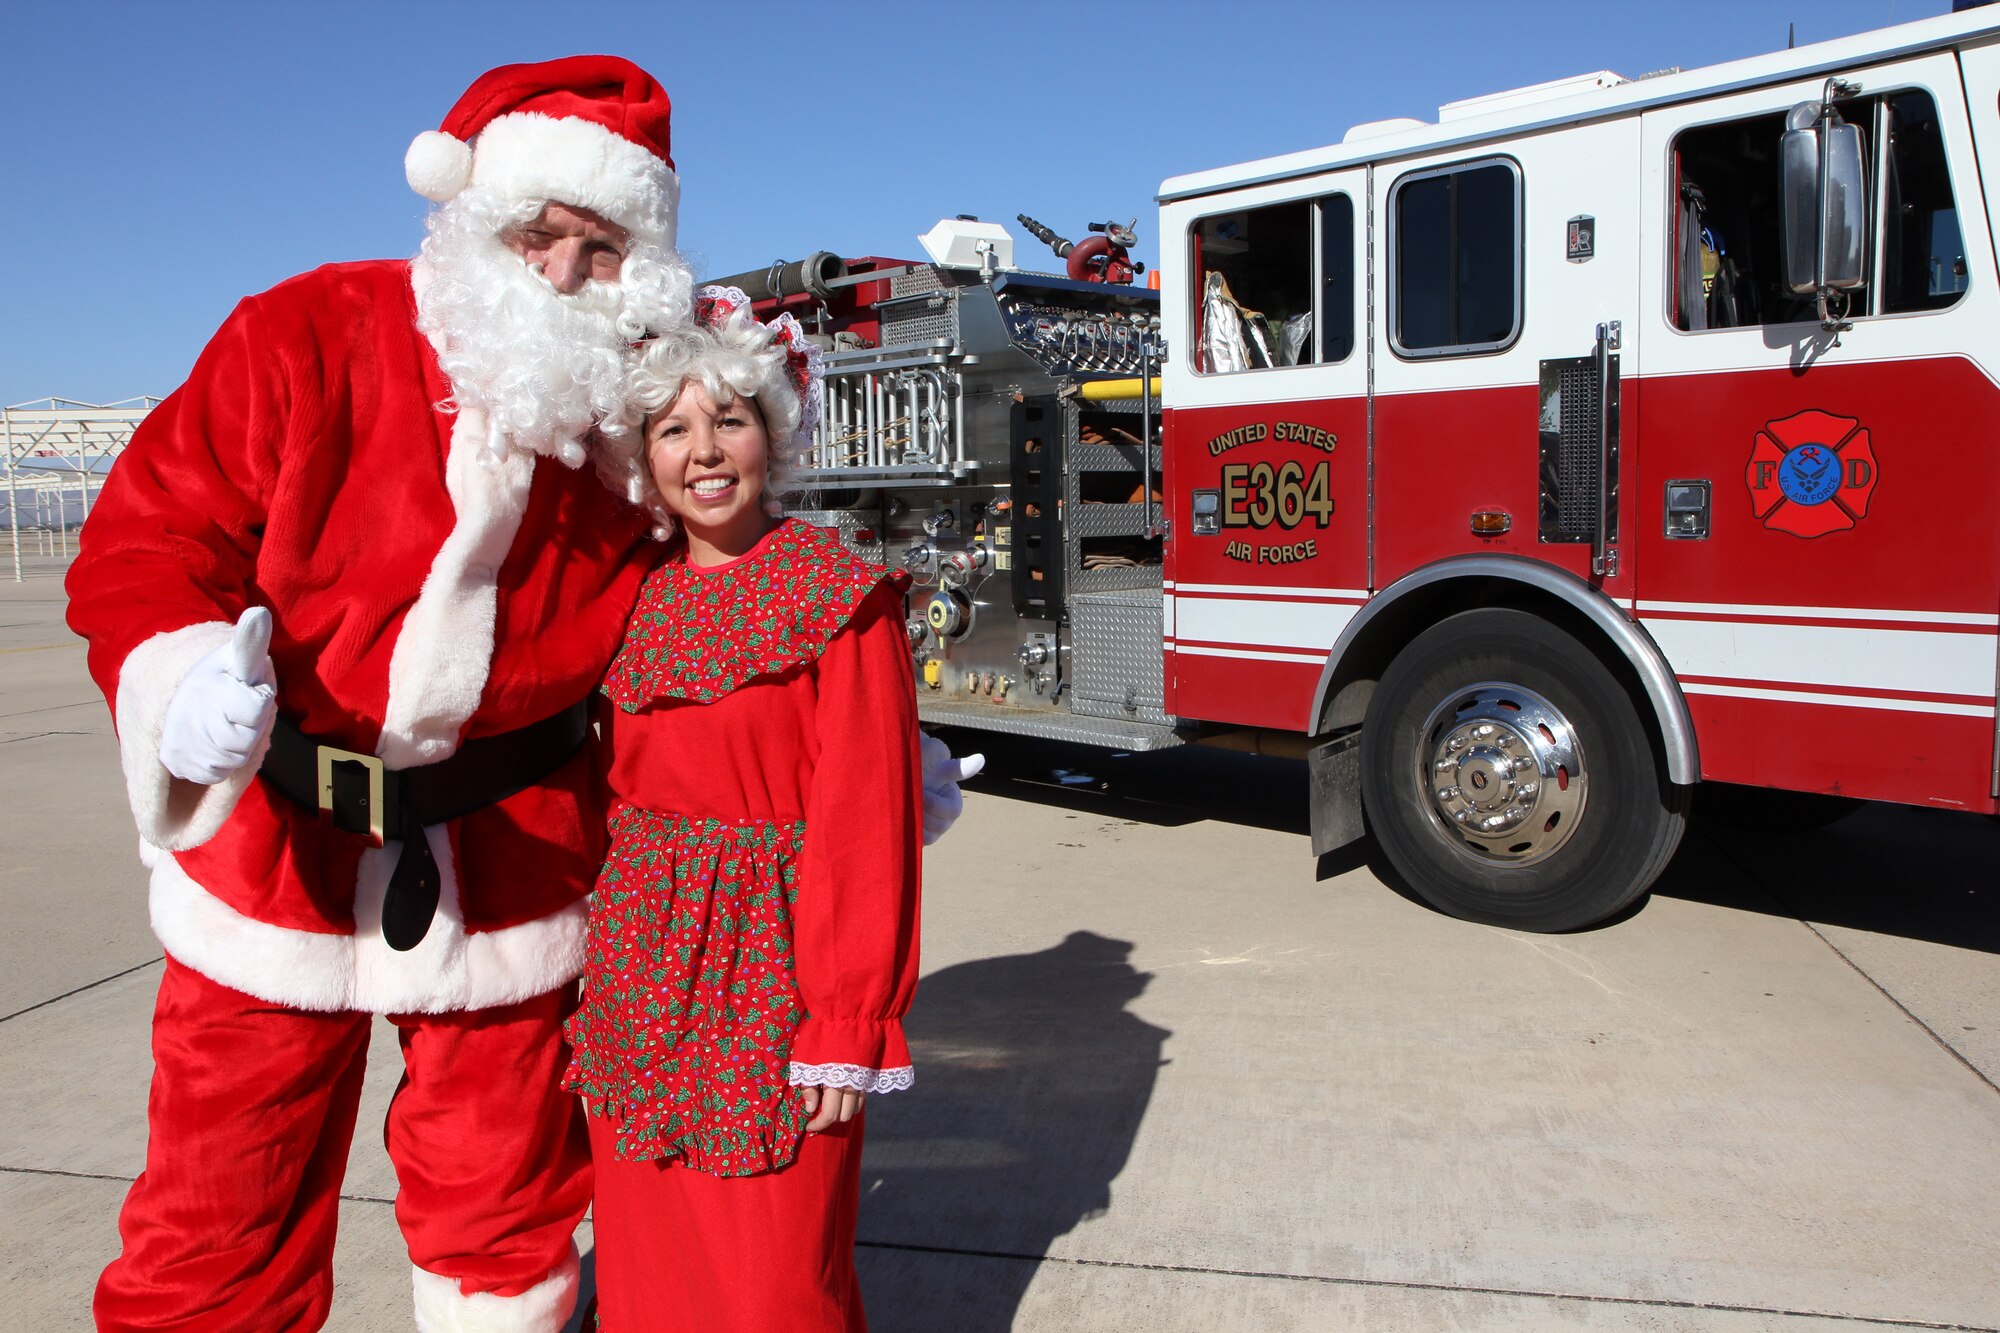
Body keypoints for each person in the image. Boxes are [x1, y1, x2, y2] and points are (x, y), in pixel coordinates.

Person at [65, 57, 971, 1332]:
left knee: (503, 1216)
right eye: (532, 234)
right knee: (219, 1216)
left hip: (513, 862)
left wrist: (867, 739)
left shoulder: (627, 422)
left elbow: (719, 606)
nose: (556, 274)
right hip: (276, 855)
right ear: (465, 219)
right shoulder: (305, 330)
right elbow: (147, 540)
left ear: (640, 265)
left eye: (597, 249)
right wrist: (177, 677)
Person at [560, 287, 917, 1331]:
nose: (703, 451)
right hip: (639, 977)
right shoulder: (625, 597)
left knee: (774, 1285)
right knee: (645, 1273)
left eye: (728, 418)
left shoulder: (835, 594)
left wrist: (847, 1021)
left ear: (772, 433)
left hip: (775, 979)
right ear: (646, 457)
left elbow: (868, 827)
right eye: (672, 428)